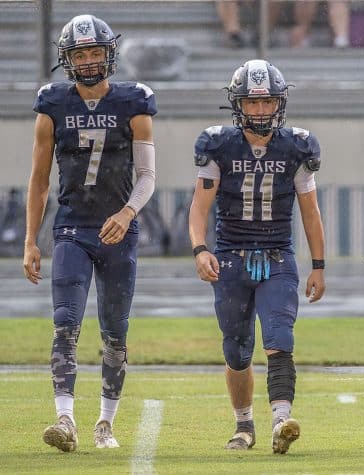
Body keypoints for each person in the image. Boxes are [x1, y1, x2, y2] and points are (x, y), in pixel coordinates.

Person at [23, 14, 157, 452]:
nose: (88, 61)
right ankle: (65, 419)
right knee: (65, 325)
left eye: (95, 52)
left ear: (109, 54)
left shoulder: (134, 102)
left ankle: (105, 422)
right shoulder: (53, 105)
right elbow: (39, 179)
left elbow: (148, 175)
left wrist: (127, 212)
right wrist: (30, 240)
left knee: (115, 331)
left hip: (119, 231)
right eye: (79, 54)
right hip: (72, 230)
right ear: (67, 59)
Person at [189, 59, 326, 454]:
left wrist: (318, 266)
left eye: (267, 102)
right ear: (239, 104)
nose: (261, 110)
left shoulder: (296, 146)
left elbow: (310, 211)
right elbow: (199, 207)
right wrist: (200, 249)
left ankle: (282, 421)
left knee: (280, 337)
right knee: (236, 348)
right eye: (253, 102)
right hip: (231, 255)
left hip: (278, 256)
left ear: (279, 103)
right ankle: (244, 424)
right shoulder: (219, 144)